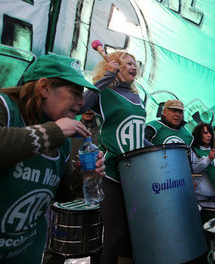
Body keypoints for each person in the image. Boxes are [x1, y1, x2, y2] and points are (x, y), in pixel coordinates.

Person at [0, 54, 106, 263]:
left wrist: (82, 176)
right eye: (75, 92)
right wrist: (52, 132)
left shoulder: (62, 139)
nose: (81, 102)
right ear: (45, 88)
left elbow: (57, 193)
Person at [80, 51, 146, 263]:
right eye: (128, 63)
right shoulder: (105, 94)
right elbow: (82, 105)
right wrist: (107, 76)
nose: (134, 67)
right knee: (114, 235)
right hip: (111, 174)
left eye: (135, 64)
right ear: (116, 66)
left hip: (135, 174)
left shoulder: (138, 98)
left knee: (132, 234)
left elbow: (137, 136)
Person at [190, 123, 215, 201]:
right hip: (201, 195)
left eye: (210, 133)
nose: (209, 135)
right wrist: (208, 159)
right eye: (205, 133)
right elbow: (193, 169)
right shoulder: (193, 150)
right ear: (199, 134)